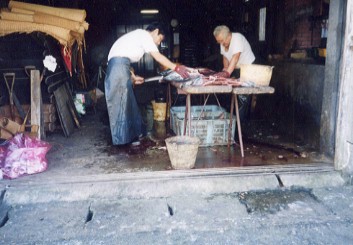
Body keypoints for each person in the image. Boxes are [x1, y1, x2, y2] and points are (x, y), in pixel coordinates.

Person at [105, 22, 190, 145]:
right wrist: (176, 68)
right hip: (118, 68)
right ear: (156, 31)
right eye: (160, 39)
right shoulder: (145, 35)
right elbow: (158, 56)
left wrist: (133, 77)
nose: (159, 43)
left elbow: (124, 59)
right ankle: (122, 141)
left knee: (127, 103)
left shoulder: (139, 37)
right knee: (121, 104)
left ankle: (132, 136)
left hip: (119, 67)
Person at [213, 25, 255, 120]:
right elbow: (225, 56)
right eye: (219, 42)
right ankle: (231, 119)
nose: (221, 44)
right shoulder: (223, 41)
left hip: (247, 68)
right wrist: (225, 69)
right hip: (235, 68)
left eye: (222, 41)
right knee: (228, 93)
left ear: (228, 35)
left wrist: (227, 73)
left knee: (242, 97)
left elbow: (235, 58)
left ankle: (240, 124)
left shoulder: (237, 38)